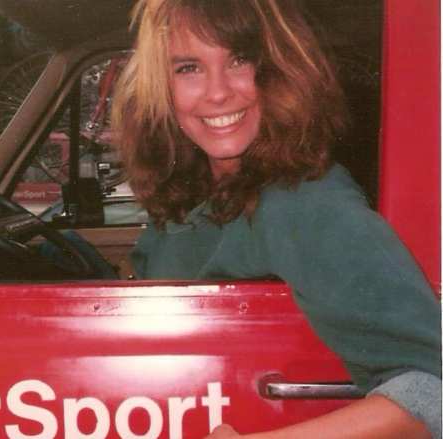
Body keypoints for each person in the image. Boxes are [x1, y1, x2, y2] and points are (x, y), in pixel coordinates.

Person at [111, 0, 441, 437]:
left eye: (240, 60)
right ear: (159, 85)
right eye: (188, 68)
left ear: (281, 70)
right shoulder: (184, 200)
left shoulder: (305, 203)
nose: (217, 92)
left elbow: (434, 388)